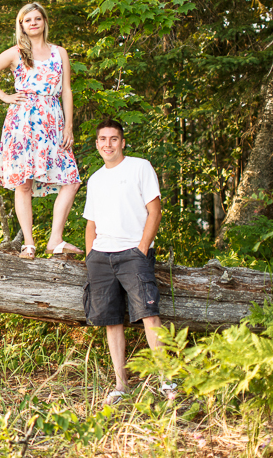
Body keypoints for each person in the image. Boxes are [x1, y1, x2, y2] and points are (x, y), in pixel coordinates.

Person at [0, 2, 82, 259]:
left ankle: (55, 238)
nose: (33, 23)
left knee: (71, 179)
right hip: (22, 121)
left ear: (44, 21)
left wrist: (68, 125)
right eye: (27, 20)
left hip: (53, 120)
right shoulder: (16, 53)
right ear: (21, 25)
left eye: (37, 18)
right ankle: (29, 243)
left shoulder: (60, 53)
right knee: (24, 183)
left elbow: (66, 90)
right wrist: (5, 97)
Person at [83, 117, 176, 405]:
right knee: (112, 321)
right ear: (97, 144)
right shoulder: (96, 179)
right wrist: (90, 258)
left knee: (149, 315)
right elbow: (91, 223)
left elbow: (155, 211)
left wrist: (141, 249)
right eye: (102, 139)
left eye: (113, 139)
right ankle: (121, 385)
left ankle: (166, 380)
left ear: (122, 142)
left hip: (133, 254)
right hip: (102, 257)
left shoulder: (139, 167)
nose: (107, 144)